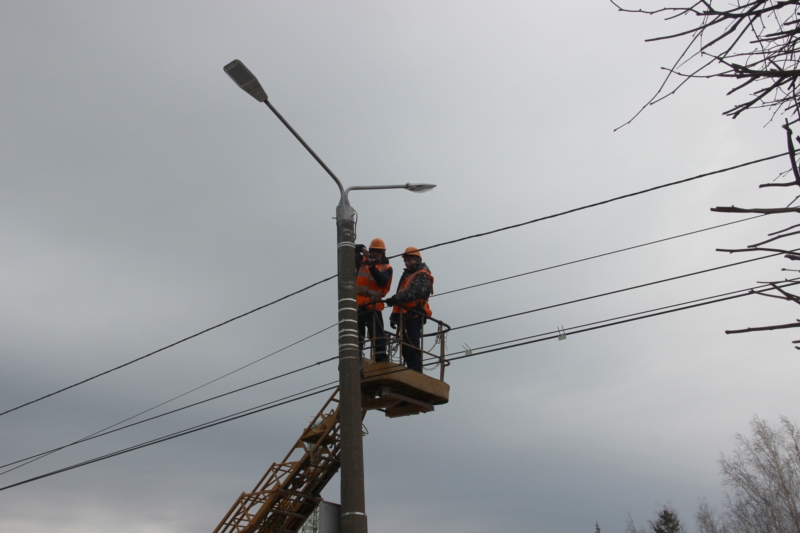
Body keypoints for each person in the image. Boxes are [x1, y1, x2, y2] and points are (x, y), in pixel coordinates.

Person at [384, 247, 433, 373]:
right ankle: (411, 371)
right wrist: (394, 316)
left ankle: (416, 372)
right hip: (405, 315)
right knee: (405, 347)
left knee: (412, 345)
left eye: (409, 260)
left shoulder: (423, 274)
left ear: (417, 260)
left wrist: (396, 299)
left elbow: (416, 292)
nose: (406, 263)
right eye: (405, 261)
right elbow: (400, 295)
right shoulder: (407, 275)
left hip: (415, 314)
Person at [355, 238, 393, 362]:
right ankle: (356, 356)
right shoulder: (362, 261)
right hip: (359, 303)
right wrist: (361, 248)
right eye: (373, 251)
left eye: (378, 251)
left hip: (373, 305)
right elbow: (348, 250)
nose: (375, 253)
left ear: (383, 253)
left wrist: (372, 266)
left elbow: (381, 281)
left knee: (377, 333)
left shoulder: (386, 267)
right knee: (357, 333)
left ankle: (380, 357)